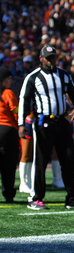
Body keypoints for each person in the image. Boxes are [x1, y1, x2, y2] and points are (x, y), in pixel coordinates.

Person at [18, 46, 74, 210]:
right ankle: (36, 198)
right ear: (41, 58)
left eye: (53, 57)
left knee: (69, 159)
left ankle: (73, 198)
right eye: (48, 58)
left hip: (61, 121)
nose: (52, 60)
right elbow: (24, 100)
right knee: (41, 161)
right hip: (43, 123)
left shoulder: (63, 75)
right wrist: (21, 124)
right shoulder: (33, 77)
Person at [0, 67, 19, 203]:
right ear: (3, 81)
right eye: (9, 79)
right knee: (9, 164)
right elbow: (16, 112)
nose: (11, 81)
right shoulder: (8, 93)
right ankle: (8, 194)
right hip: (7, 131)